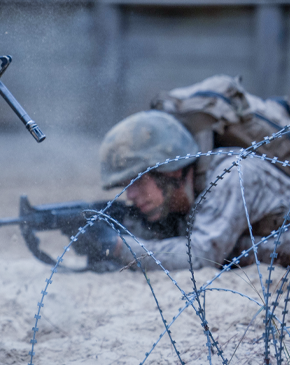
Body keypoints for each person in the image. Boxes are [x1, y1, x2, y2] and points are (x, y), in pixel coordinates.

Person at [95, 110, 290, 270]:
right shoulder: (185, 196)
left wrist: (119, 247)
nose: (131, 195)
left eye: (138, 182)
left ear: (171, 170)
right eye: (126, 186)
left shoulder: (232, 174)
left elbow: (200, 257)